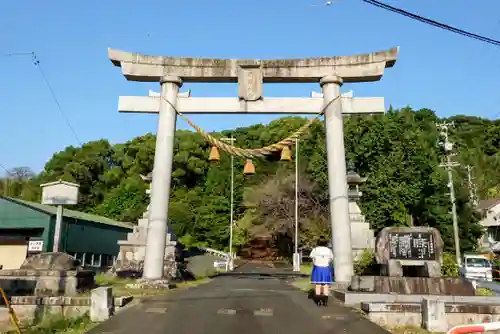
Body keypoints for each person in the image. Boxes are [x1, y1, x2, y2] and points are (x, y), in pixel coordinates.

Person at [310, 239, 334, 306]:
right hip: (326, 268)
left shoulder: (315, 250)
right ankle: (325, 302)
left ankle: (318, 302)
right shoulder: (329, 250)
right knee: (325, 285)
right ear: (326, 243)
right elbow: (331, 259)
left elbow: (312, 258)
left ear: (318, 242)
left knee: (318, 285)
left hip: (317, 268)